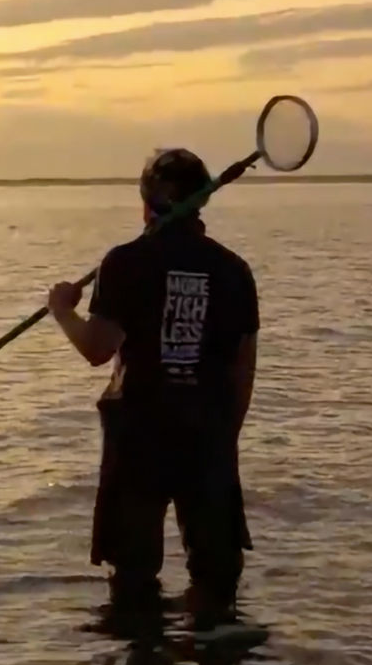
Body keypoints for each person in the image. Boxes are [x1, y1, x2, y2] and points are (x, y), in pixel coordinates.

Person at [46, 147, 259, 625]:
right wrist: (225, 438)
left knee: (133, 579)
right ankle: (217, 659)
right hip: (208, 438)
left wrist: (61, 310)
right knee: (217, 581)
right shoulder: (234, 270)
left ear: (147, 201)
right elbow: (243, 370)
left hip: (139, 440)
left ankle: (142, 661)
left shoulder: (125, 263)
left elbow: (97, 348)